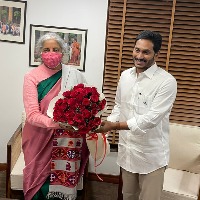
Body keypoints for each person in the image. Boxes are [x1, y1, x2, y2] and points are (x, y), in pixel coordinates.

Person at [95, 30, 177, 200]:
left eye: (146, 52)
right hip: (128, 152)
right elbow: (119, 106)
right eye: (137, 50)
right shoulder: (125, 76)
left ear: (157, 54)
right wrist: (105, 125)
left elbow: (151, 119)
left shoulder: (166, 81)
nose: (139, 56)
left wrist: (115, 126)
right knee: (128, 196)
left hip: (151, 156)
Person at [22, 32, 89, 200]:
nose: (51, 53)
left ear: (63, 52)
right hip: (39, 137)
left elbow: (86, 103)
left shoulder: (74, 75)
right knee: (38, 181)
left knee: (62, 181)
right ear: (39, 52)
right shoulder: (31, 77)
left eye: (55, 49)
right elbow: (32, 115)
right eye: (46, 49)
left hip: (67, 138)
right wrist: (57, 124)